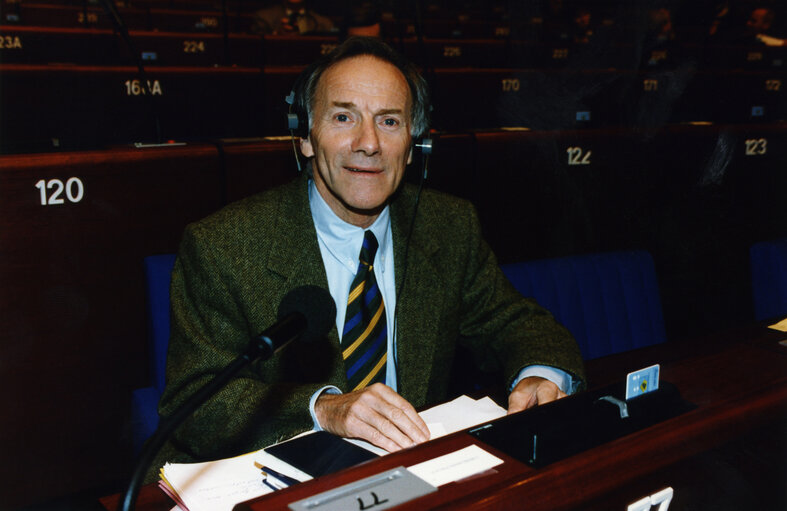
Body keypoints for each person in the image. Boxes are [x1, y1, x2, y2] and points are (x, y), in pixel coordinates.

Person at [155, 37, 585, 467]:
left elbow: (516, 323)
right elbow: (193, 406)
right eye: (344, 117)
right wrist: (323, 409)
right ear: (304, 136)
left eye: (390, 122)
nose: (369, 143)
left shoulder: (449, 225)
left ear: (416, 144)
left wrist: (539, 375)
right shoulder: (223, 245)